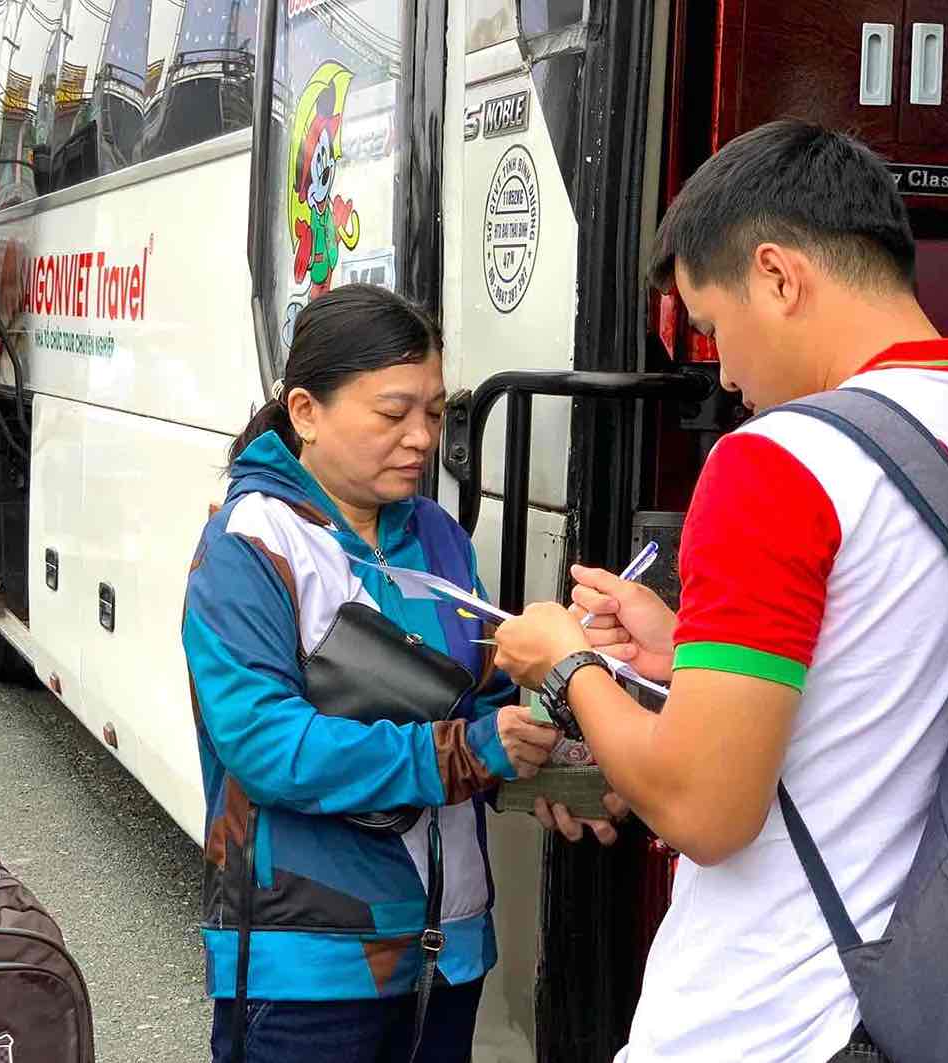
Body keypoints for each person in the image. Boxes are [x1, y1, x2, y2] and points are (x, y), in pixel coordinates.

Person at [490, 120, 948, 1063]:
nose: (724, 372)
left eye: (710, 327)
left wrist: (566, 662)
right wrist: (684, 650)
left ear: (777, 276)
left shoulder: (778, 461)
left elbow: (704, 809)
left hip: (779, 1017)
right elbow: (927, 672)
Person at [183, 284, 621, 1063]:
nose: (421, 437)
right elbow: (267, 745)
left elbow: (479, 704)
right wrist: (463, 752)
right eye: (393, 413)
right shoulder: (250, 542)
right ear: (306, 411)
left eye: (436, 412)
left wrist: (549, 771)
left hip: (447, 947)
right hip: (309, 964)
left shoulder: (440, 536)